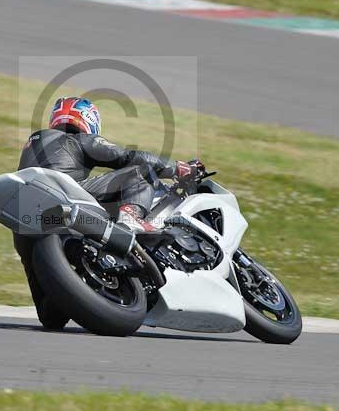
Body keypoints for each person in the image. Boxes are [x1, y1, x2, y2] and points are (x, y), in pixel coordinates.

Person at [14, 96, 200, 329]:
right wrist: (179, 168)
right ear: (87, 119)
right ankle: (131, 216)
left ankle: (79, 279)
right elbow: (129, 157)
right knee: (139, 171)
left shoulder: (34, 141)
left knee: (51, 317)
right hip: (63, 203)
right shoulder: (78, 139)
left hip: (26, 222)